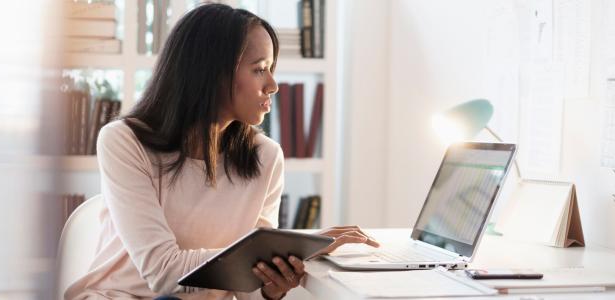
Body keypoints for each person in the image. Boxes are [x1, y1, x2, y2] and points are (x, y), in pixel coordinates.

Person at [64, 3, 379, 300]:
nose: (273, 85)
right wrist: (286, 249)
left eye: (271, 69)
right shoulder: (124, 141)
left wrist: (271, 284)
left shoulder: (266, 157)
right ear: (212, 73)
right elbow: (161, 274)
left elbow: (247, 290)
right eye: (259, 69)